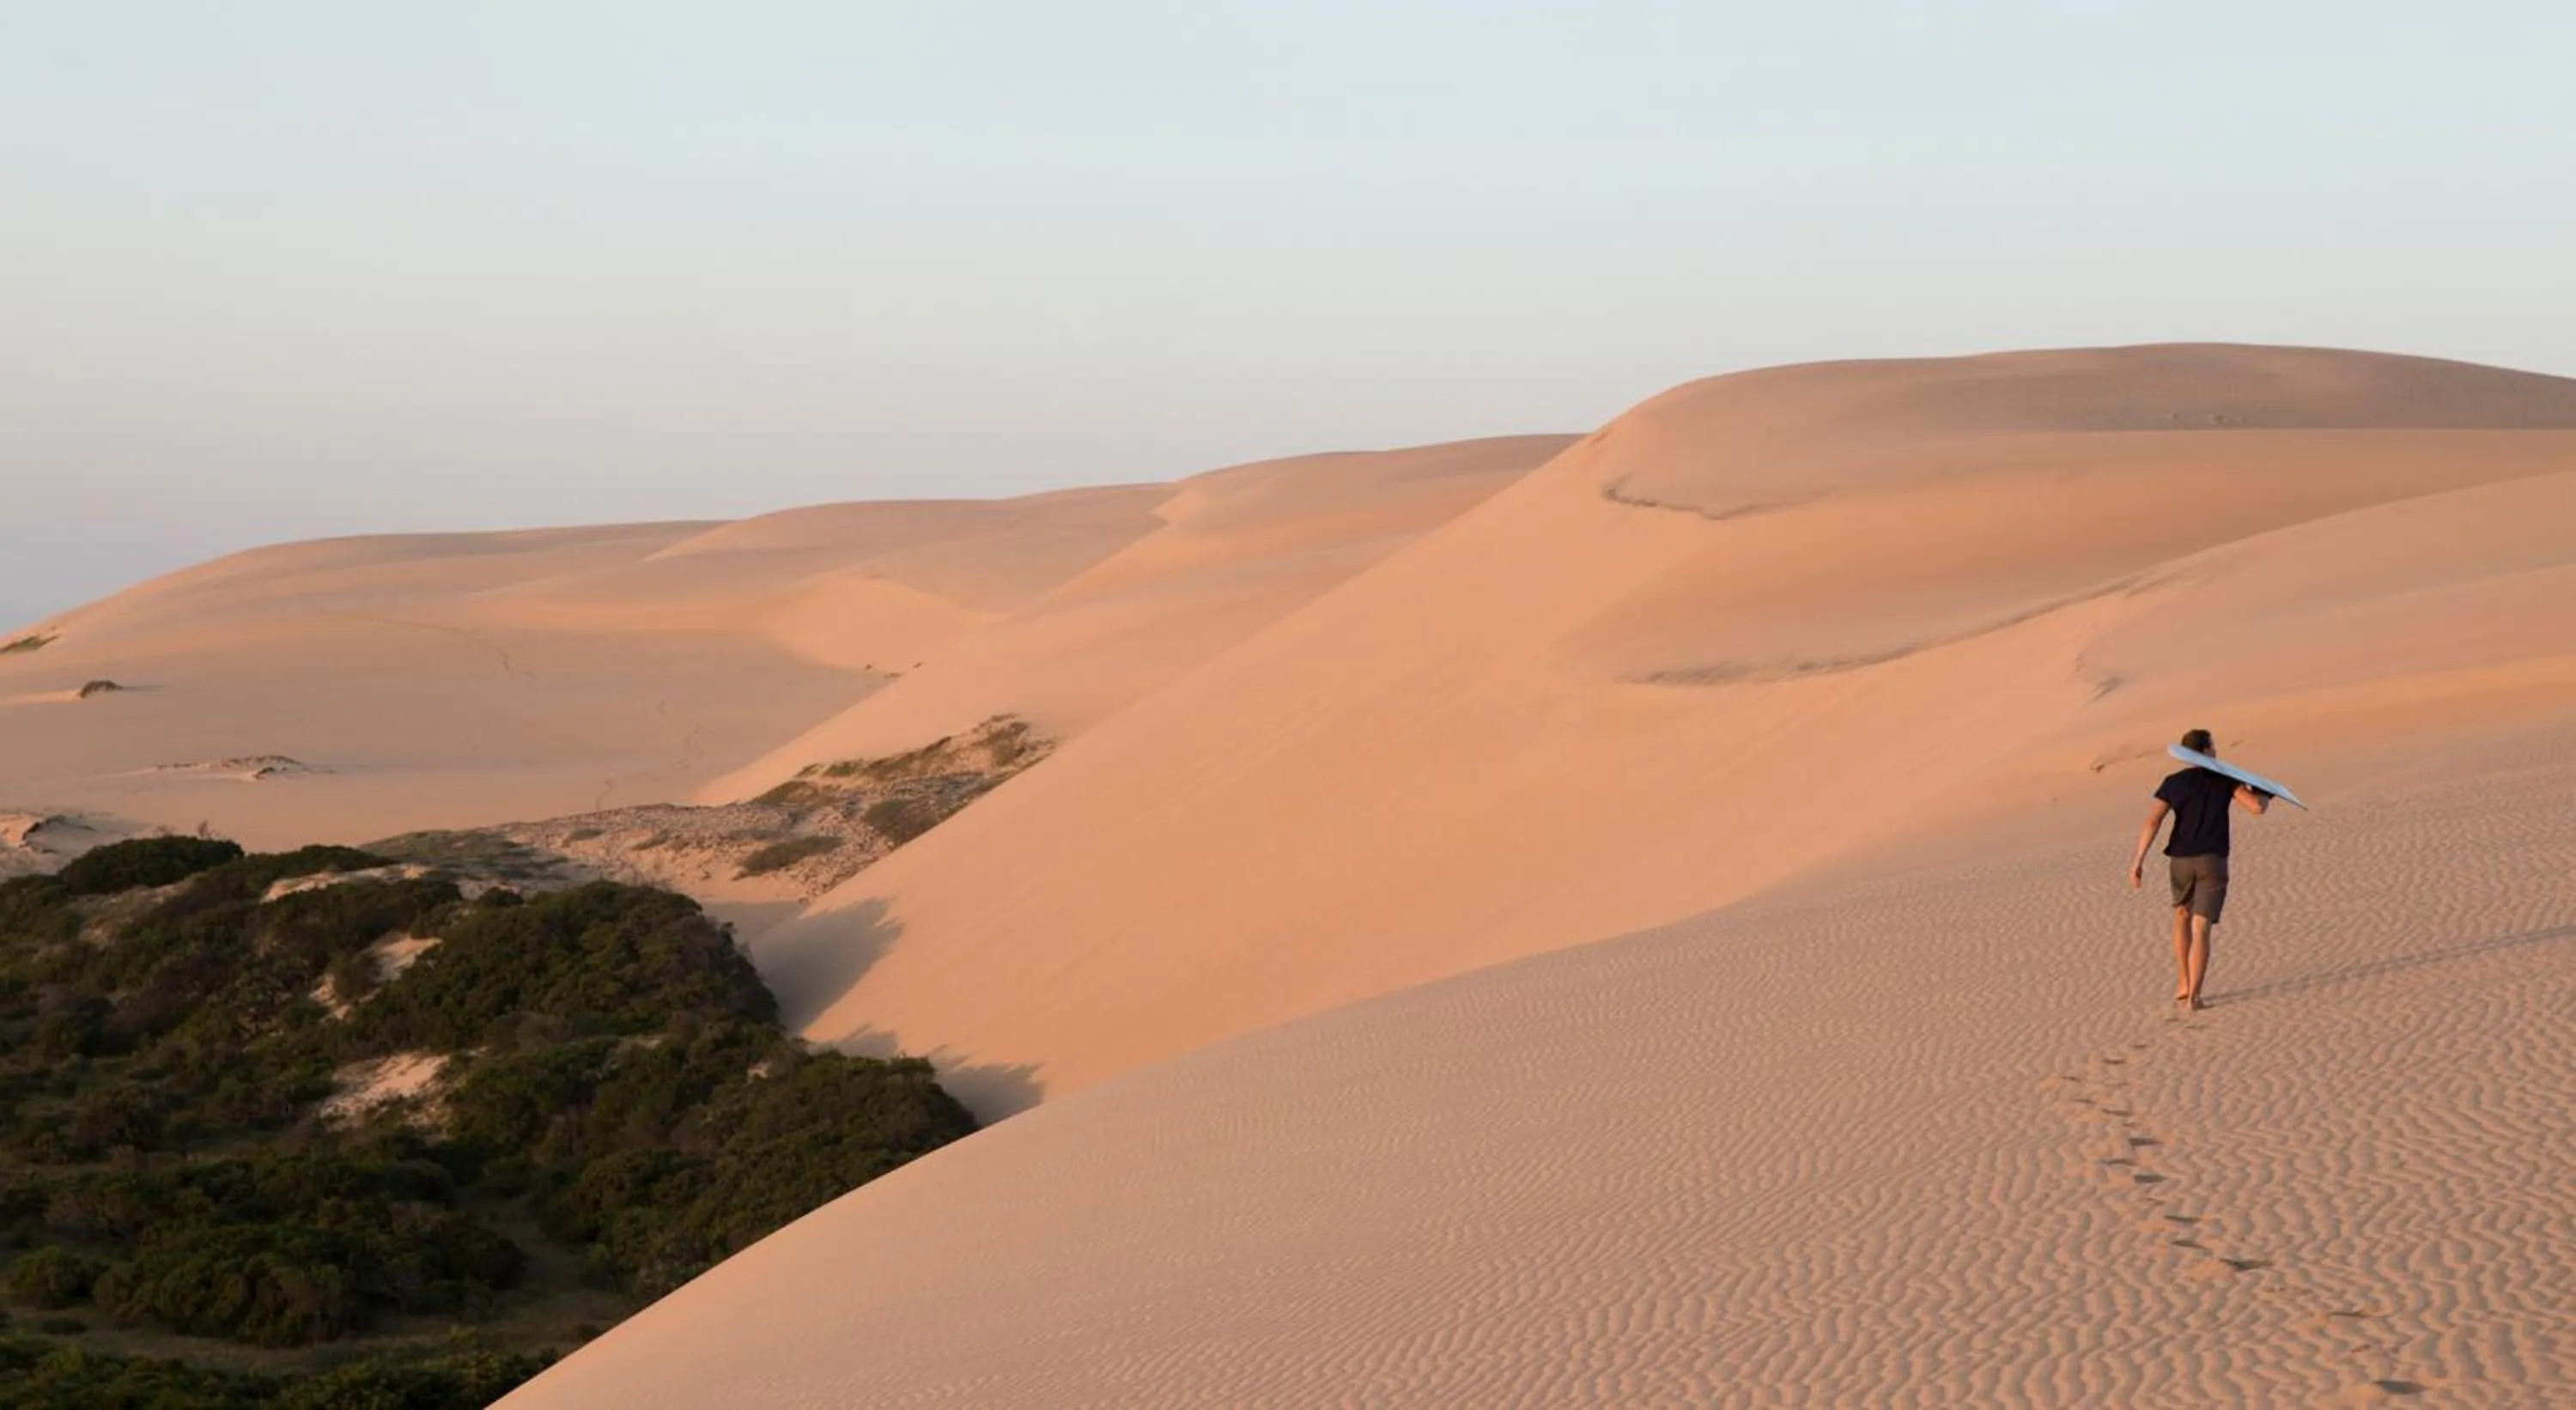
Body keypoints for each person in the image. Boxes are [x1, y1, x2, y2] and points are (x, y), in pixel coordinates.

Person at [2127, 728, 2270, 1010]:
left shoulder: (2173, 783)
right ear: (2204, 751)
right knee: (2201, 927)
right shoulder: (2226, 779)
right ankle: (2195, 995)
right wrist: (2265, 794)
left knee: (2181, 916)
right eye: (2213, 747)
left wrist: (2137, 862)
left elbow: (2152, 821)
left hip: (2180, 862)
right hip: (2212, 861)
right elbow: (2256, 808)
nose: (2216, 751)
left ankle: (2182, 982)